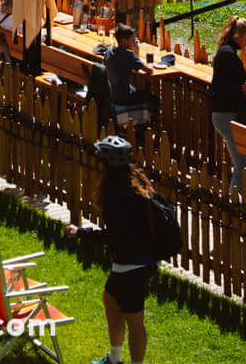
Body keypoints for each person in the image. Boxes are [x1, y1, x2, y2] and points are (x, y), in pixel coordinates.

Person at [91, 134, 158, 364]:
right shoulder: (134, 182)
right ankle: (114, 359)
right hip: (140, 259)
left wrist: (82, 234)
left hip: (132, 263)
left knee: (134, 318)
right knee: (110, 298)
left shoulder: (117, 194)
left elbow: (114, 236)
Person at [208, 17, 246, 192]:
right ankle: (234, 202)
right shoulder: (227, 55)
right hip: (226, 114)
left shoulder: (226, 51)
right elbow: (223, 87)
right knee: (242, 164)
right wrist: (243, 88)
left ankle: (245, 199)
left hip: (225, 113)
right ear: (237, 35)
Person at [105, 22, 157, 135]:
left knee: (137, 90)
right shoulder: (128, 56)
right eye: (133, 40)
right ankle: (147, 129)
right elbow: (148, 70)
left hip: (112, 93)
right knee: (152, 99)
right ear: (124, 41)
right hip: (124, 97)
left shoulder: (109, 51)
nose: (135, 42)